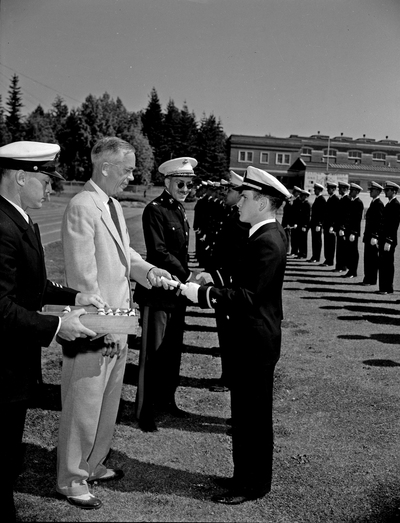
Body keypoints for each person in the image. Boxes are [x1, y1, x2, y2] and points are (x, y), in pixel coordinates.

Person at [56, 137, 172, 509]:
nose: (132, 175)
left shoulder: (113, 206)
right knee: (83, 404)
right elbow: (84, 278)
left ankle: (93, 464)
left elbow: (127, 255)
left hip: (118, 323)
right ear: (105, 167)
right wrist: (100, 326)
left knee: (106, 403)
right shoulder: (82, 206)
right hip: (97, 326)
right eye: (127, 169)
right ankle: (71, 478)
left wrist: (150, 270)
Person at [0, 141, 106, 521]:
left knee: (10, 452)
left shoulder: (20, 219)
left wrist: (79, 295)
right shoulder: (2, 225)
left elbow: (34, 285)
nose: (51, 188)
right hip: (3, 363)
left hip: (14, 362)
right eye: (46, 180)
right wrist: (59, 325)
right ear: (21, 177)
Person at [182, 166, 290, 505]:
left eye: (244, 197)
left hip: (255, 340)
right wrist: (210, 276)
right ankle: (243, 476)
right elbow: (238, 272)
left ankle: (253, 484)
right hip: (251, 337)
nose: (238, 202)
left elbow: (247, 295)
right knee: (243, 416)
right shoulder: (259, 233)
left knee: (252, 418)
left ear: (261, 201)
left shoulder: (268, 240)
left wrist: (202, 294)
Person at [134, 157, 197, 432]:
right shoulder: (155, 210)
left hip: (177, 294)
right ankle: (145, 411)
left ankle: (167, 401)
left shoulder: (180, 210)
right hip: (158, 292)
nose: (185, 189)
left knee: (172, 352)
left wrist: (185, 277)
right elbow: (158, 252)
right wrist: (188, 275)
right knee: (152, 354)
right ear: (167, 182)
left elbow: (181, 251)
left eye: (189, 184)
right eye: (180, 183)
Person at [207, 170, 250, 393]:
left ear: (240, 193)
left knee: (231, 334)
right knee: (226, 333)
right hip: (223, 280)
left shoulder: (241, 219)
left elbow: (237, 256)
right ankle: (227, 376)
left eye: (229, 189)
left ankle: (230, 379)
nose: (225, 193)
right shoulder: (233, 214)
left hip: (230, 284)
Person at [377, 181, 400, 294]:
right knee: (383, 263)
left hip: (388, 240)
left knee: (387, 264)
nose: (385, 192)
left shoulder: (396, 205)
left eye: (388, 190)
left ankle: (387, 288)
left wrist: (389, 240)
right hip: (384, 239)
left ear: (394, 191)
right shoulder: (389, 204)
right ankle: (384, 287)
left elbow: (394, 225)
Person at [361, 182, 384, 286]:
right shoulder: (373, 203)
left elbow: (379, 222)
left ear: (378, 192)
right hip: (368, 236)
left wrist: (375, 235)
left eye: (372, 190)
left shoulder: (379, 204)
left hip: (373, 236)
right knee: (368, 258)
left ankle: (371, 279)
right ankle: (367, 278)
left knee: (372, 259)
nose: (370, 191)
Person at [342, 183, 364, 279]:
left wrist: (353, 232)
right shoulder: (351, 202)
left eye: (352, 190)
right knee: (348, 251)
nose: (350, 192)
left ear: (357, 192)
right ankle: (350, 270)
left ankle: (353, 271)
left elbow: (357, 219)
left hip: (352, 232)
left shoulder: (358, 203)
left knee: (353, 252)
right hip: (348, 231)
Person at [320, 182, 339, 267]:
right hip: (326, 225)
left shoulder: (335, 199)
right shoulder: (330, 199)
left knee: (330, 244)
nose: (328, 190)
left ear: (334, 189)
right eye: (328, 189)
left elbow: (335, 214)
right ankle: (327, 259)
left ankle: (330, 260)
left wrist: (332, 225)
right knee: (327, 243)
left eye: (330, 189)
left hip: (331, 226)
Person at [334, 181, 351, 273]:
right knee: (339, 248)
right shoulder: (341, 199)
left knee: (343, 248)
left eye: (340, 189)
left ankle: (343, 266)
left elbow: (346, 216)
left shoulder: (347, 200)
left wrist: (343, 227)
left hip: (343, 229)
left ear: (344, 189)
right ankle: (339, 265)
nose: (339, 191)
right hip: (339, 228)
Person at [308, 182, 326, 263]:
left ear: (320, 190)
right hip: (314, 223)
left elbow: (322, 213)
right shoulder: (317, 199)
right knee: (314, 240)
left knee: (317, 241)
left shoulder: (322, 200)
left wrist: (319, 223)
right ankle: (314, 256)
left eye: (316, 189)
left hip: (317, 224)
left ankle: (316, 257)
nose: (314, 191)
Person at [296, 189, 311, 259]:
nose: (301, 197)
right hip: (300, 224)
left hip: (304, 225)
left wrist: (305, 225)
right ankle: (300, 252)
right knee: (299, 239)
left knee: (303, 240)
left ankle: (303, 253)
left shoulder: (307, 204)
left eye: (303, 196)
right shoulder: (301, 203)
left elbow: (307, 216)